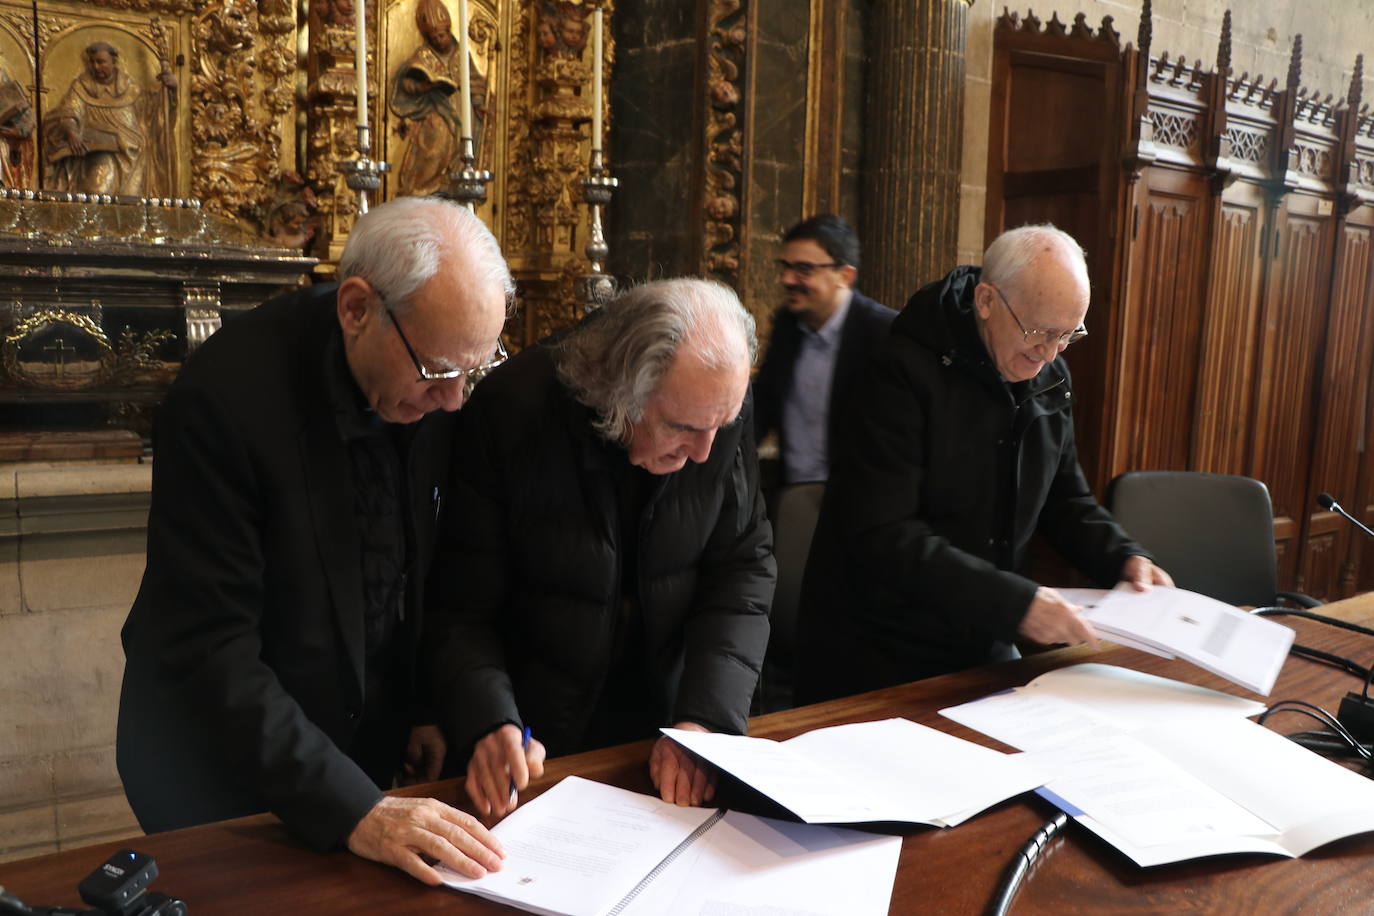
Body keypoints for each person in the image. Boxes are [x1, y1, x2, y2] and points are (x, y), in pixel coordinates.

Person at [117, 196, 513, 886]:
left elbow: (415, 564)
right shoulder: (225, 401)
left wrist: (420, 706)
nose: (455, 401)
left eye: (472, 372)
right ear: (357, 308)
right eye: (441, 372)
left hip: (355, 752)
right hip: (218, 771)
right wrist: (353, 806)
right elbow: (210, 652)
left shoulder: (427, 371)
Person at [429, 277, 775, 819]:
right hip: (537, 749)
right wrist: (489, 720)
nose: (706, 452)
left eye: (722, 426)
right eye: (683, 428)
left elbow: (742, 568)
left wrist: (706, 721)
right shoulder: (515, 411)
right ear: (621, 393)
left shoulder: (714, 401)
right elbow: (459, 605)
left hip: (671, 735)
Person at [796, 224, 1172, 704]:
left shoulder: (1048, 371)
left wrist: (1124, 557)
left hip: (980, 641)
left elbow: (1065, 499)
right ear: (987, 301)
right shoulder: (898, 371)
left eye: (1067, 335)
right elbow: (884, 533)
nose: (1050, 353)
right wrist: (1016, 604)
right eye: (1038, 331)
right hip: (878, 651)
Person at [752, 214, 896, 485]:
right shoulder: (787, 326)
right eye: (785, 267)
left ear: (845, 275)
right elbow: (763, 406)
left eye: (803, 269)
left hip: (859, 498)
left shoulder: (883, 332)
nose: (787, 279)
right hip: (794, 494)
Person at [43, 41, 175, 195]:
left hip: (132, 153)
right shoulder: (81, 87)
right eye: (92, 62)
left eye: (101, 62)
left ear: (114, 62)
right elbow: (69, 111)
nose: (96, 67)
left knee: (131, 204)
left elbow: (153, 113)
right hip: (96, 151)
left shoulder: (131, 89)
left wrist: (170, 91)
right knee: (98, 188)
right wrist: (72, 133)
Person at [389, 0, 487, 197]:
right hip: (436, 111)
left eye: (441, 35)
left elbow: (475, 81)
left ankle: (454, 181)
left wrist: (478, 103)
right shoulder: (423, 55)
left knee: (466, 139)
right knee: (434, 141)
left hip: (463, 113)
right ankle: (424, 187)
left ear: (449, 30)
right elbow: (408, 83)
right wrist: (425, 86)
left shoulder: (461, 53)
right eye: (433, 38)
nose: (439, 41)